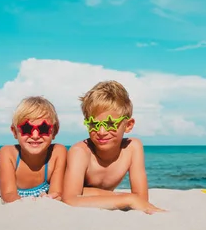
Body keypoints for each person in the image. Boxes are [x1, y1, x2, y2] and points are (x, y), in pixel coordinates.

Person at [62, 80, 164, 213]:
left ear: (128, 125)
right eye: (94, 124)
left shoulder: (132, 148)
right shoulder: (80, 152)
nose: (101, 132)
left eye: (110, 124)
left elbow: (141, 199)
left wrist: (126, 198)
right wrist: (127, 199)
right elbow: (70, 199)